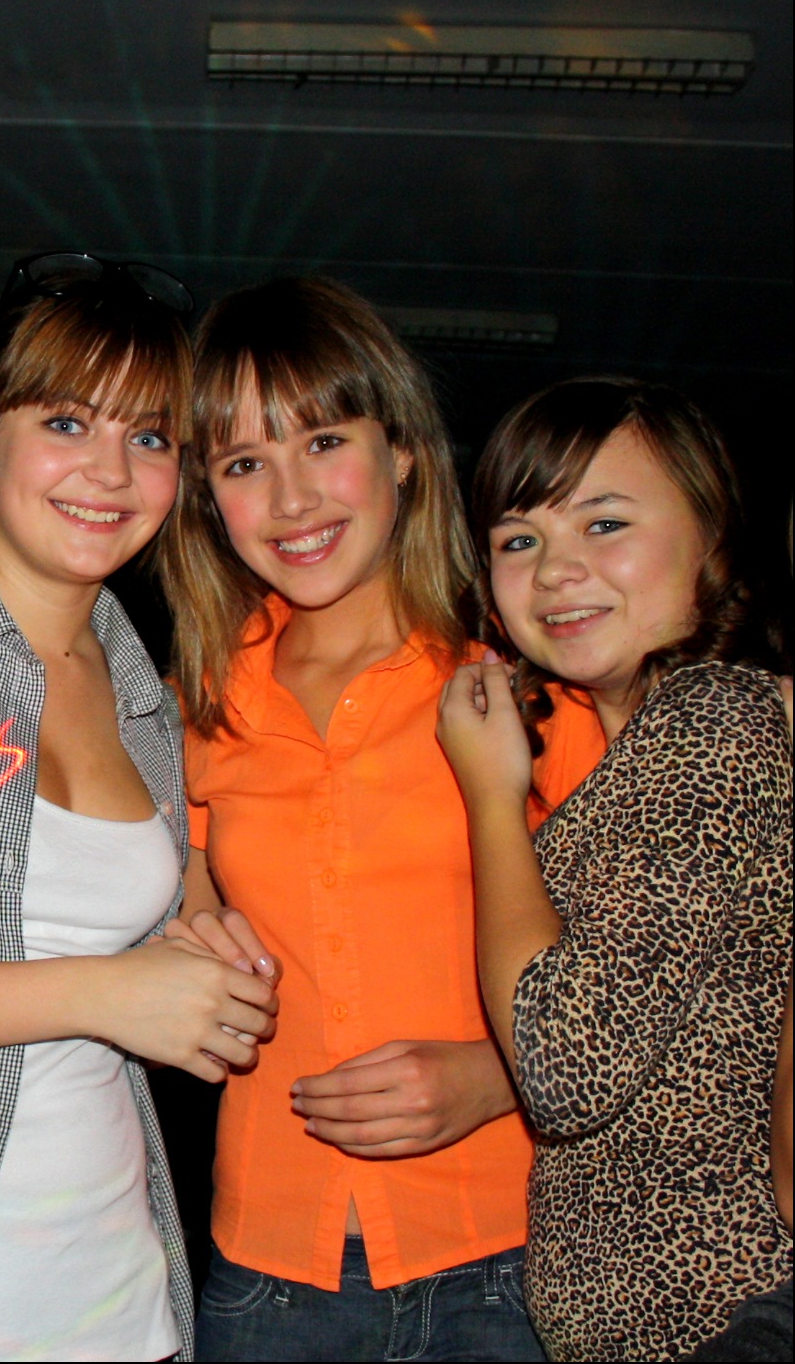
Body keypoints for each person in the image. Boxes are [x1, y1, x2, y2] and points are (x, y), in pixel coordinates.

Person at [157, 275, 605, 1364]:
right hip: (269, 1269)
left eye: (324, 442)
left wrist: (497, 1079)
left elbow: (653, 979)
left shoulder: (524, 687)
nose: (292, 499)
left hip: (509, 1256)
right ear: (209, 496)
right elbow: (177, 918)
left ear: (401, 450)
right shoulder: (196, 702)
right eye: (244, 464)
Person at [0, 256, 278, 1364]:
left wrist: (198, 947)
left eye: (149, 436)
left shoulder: (146, 694)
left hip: (122, 1291)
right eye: (66, 421)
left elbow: (137, 937)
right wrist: (108, 990)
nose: (110, 471)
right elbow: (101, 985)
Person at [437, 377, 793, 1363]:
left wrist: (491, 798)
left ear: (712, 535)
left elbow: (563, 1066)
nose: (557, 570)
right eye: (519, 539)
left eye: (605, 523)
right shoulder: (657, 749)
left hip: (724, 1321)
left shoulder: (713, 719)